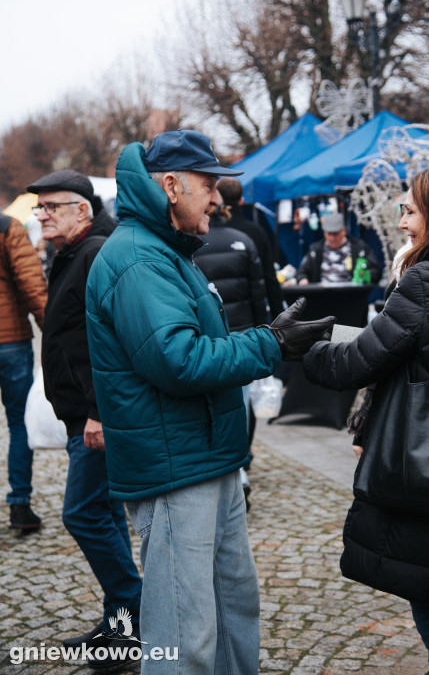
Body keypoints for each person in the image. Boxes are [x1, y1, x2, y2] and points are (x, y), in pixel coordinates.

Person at [85, 128, 335, 674]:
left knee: (232, 608)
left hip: (208, 457)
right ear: (171, 185)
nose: (218, 198)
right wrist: (271, 343)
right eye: (209, 183)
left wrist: (269, 339)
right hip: (176, 468)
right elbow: (179, 360)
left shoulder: (166, 250)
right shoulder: (138, 259)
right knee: (185, 633)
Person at [303, 164, 429, 675]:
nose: (400, 223)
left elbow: (354, 364)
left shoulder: (427, 281)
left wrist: (303, 347)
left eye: (409, 209)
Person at [27, 170, 143, 669]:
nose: (43, 214)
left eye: (52, 206)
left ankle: (134, 614)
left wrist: (98, 410)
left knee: (83, 513)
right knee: (103, 513)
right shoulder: (72, 253)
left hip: (98, 416)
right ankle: (122, 622)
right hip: (84, 413)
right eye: (41, 208)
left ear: (82, 209)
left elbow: (111, 340)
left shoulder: (96, 252)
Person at [193, 198, 268, 510]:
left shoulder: (193, 245)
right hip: (243, 332)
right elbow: (258, 291)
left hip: (211, 335)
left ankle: (230, 469)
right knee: (243, 402)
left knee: (217, 402)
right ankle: (241, 464)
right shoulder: (245, 240)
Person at [0, 213, 47, 530]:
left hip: (12, 340)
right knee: (19, 423)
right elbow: (31, 284)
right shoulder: (7, 227)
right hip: (10, 340)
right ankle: (20, 504)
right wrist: (52, 333)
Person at [216, 176, 284, 319]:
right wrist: (279, 318)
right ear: (241, 200)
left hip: (217, 316)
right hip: (249, 316)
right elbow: (270, 277)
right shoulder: (256, 232)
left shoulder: (205, 233)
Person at [297, 211, 382, 285]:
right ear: (324, 233)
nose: (332, 238)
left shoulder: (359, 248)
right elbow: (302, 272)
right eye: (329, 234)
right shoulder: (315, 250)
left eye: (335, 234)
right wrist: (303, 280)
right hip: (322, 296)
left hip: (352, 295)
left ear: (344, 231)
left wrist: (365, 276)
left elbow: (376, 271)